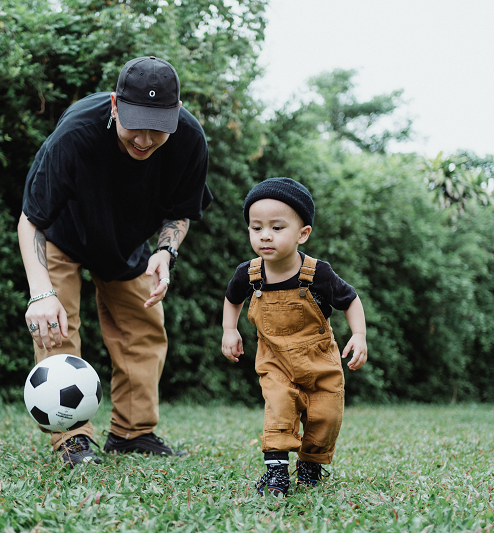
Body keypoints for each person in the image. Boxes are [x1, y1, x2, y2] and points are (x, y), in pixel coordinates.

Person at [18, 56, 212, 467]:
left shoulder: (190, 139)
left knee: (144, 328)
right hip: (63, 234)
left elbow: (180, 210)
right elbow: (32, 219)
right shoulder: (76, 132)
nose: (144, 138)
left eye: (157, 128)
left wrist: (166, 251)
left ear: (176, 114)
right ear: (113, 105)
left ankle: (132, 433)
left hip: (126, 244)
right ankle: (71, 439)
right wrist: (41, 293)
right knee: (56, 330)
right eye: (134, 124)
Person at [220, 177, 368, 495]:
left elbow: (350, 299)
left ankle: (310, 464)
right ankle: (276, 474)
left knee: (326, 416)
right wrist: (229, 330)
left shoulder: (319, 274)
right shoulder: (249, 274)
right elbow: (232, 299)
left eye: (276, 227)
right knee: (278, 408)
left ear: (302, 234)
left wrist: (359, 334)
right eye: (256, 228)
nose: (265, 236)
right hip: (273, 358)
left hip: (320, 359)